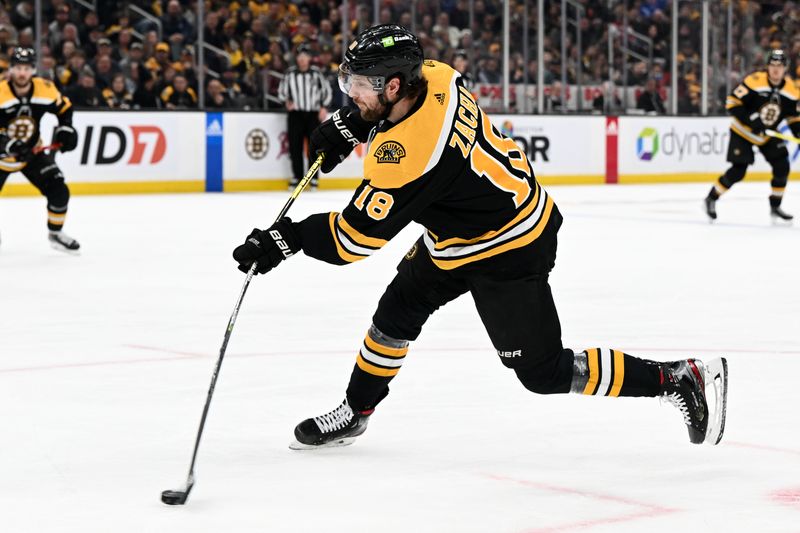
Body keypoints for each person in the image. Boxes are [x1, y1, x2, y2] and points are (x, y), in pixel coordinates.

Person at [232, 25, 728, 449]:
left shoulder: (408, 154)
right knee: (396, 314)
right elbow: (389, 119)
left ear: (395, 84)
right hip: (459, 233)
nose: (350, 92)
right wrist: (352, 122)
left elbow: (351, 242)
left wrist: (286, 239)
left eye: (360, 84)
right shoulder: (438, 76)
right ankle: (357, 411)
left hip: (509, 245)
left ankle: (678, 378)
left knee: (543, 372)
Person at [0, 47, 80, 252]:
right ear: (10, 69)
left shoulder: (45, 88)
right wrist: (9, 145)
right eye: (18, 68)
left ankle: (55, 233)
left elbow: (64, 108)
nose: (22, 73)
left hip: (31, 153)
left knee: (59, 190)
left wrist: (66, 128)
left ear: (33, 69)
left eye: (26, 68)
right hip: (1, 156)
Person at [705, 49, 800, 222]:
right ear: (767, 66)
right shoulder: (755, 81)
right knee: (738, 171)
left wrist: (798, 132)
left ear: (785, 68)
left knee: (782, 167)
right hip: (743, 131)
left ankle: (775, 205)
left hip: (767, 135)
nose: (775, 69)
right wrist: (753, 121)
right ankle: (711, 198)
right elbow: (732, 102)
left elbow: (792, 116)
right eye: (772, 65)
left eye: (779, 66)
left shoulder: (792, 90)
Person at [277, 44, 332, 189]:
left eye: (305, 57)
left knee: (314, 147)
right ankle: (297, 177)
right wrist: (286, 101)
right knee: (295, 146)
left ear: (309, 58)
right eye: (300, 57)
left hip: (313, 115)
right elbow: (281, 91)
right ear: (297, 58)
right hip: (295, 115)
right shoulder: (290, 74)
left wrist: (324, 107)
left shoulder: (316, 74)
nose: (302, 60)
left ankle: (313, 178)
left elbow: (326, 91)